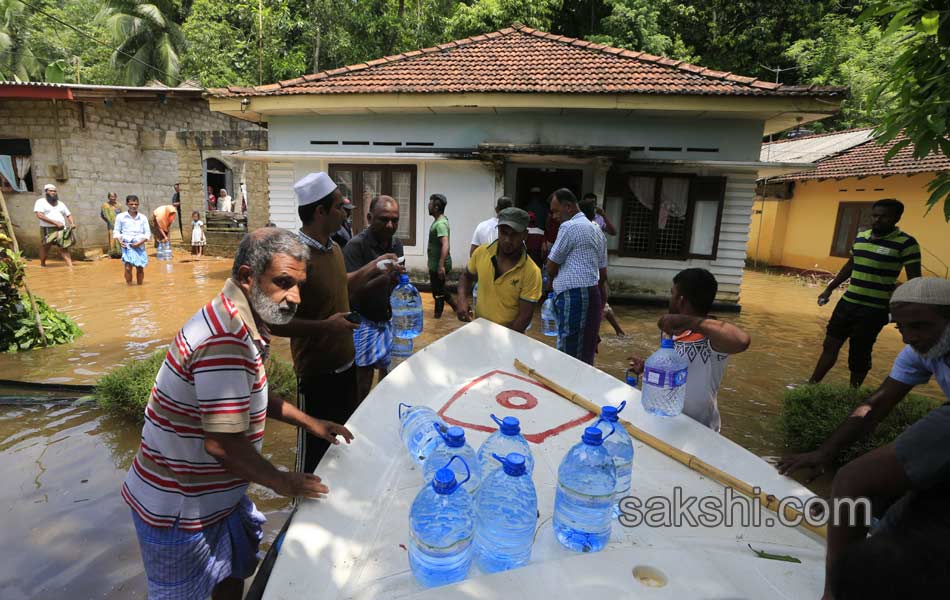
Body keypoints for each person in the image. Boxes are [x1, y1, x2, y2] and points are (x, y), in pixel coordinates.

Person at [122, 228, 354, 600]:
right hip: (181, 511)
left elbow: (251, 392)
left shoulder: (240, 316)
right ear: (247, 277)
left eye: (298, 284)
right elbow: (222, 443)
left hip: (215, 497)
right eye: (282, 283)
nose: (294, 297)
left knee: (230, 583)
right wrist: (283, 482)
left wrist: (311, 422)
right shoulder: (225, 337)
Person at [778, 277, 950, 600]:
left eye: (922, 326)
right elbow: (877, 404)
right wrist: (824, 452)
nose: (912, 337)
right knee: (896, 523)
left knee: (852, 481)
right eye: (902, 328)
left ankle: (834, 595)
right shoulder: (918, 350)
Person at [268, 172, 398, 474]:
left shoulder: (335, 249)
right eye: (340, 207)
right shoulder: (294, 258)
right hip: (317, 375)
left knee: (342, 445)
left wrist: (376, 269)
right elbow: (274, 322)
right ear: (320, 212)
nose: (346, 212)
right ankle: (303, 509)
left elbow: (343, 286)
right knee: (313, 455)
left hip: (347, 366)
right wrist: (326, 327)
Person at [809, 198, 921, 388]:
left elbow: (915, 281)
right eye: (875, 215)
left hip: (874, 309)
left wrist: (906, 313)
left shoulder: (907, 243)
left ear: (896, 218)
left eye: (883, 217)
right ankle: (811, 385)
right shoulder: (861, 237)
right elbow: (850, 266)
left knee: (859, 352)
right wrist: (829, 289)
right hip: (847, 304)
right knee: (829, 345)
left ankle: (853, 392)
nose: (877, 220)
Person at [628, 269, 751, 432]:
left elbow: (742, 341)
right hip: (667, 417)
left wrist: (691, 322)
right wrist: (649, 368)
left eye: (672, 294)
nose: (669, 299)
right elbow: (677, 369)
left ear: (681, 300)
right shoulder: (671, 331)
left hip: (700, 429)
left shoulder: (711, 338)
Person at [343, 195, 405, 401]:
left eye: (395, 220)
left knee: (389, 373)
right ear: (370, 218)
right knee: (363, 379)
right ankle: (358, 424)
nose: (390, 225)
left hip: (388, 318)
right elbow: (348, 290)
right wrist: (381, 279)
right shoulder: (356, 246)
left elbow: (394, 281)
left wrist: (399, 280)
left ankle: (382, 411)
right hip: (364, 321)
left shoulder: (396, 245)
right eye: (384, 219)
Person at [546, 188, 607, 365]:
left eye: (556, 211)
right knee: (586, 352)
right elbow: (603, 274)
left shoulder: (569, 227)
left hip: (574, 297)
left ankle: (567, 389)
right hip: (593, 294)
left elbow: (551, 266)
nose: (554, 216)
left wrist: (550, 281)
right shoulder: (597, 230)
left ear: (569, 207)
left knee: (568, 354)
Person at [457, 207, 541, 333]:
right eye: (503, 232)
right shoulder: (481, 253)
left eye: (514, 234)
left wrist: (502, 341)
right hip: (479, 330)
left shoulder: (531, 272)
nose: (507, 240)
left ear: (525, 235)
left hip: (510, 337)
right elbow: (466, 276)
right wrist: (462, 299)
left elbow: (525, 317)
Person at [579, 196, 625, 338]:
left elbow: (613, 231)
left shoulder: (595, 227)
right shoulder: (584, 228)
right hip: (591, 276)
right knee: (600, 306)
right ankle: (617, 332)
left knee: (597, 307)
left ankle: (602, 333)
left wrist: (604, 215)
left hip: (592, 277)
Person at [427, 193, 459, 318]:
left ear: (436, 207)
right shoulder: (439, 221)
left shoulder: (440, 224)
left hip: (439, 265)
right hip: (435, 264)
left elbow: (445, 245)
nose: (428, 206)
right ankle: (455, 307)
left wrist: (440, 266)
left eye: (430, 204)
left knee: (438, 292)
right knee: (439, 289)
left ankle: (437, 318)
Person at [34, 183, 74, 267]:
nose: (53, 193)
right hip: (47, 229)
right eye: (51, 191)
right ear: (46, 192)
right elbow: (39, 215)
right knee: (46, 247)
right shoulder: (40, 202)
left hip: (61, 229)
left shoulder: (61, 203)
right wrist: (55, 223)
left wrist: (72, 223)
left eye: (55, 191)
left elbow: (68, 214)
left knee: (63, 247)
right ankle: (42, 264)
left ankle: (71, 267)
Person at [113, 195, 151, 285]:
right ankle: (129, 286)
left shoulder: (143, 217)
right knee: (127, 268)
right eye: (131, 204)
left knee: (140, 268)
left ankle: (140, 286)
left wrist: (139, 243)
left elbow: (147, 234)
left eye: (136, 204)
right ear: (127, 204)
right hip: (127, 245)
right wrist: (120, 241)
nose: (134, 206)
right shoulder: (120, 217)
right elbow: (116, 231)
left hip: (140, 245)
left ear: (138, 205)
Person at [100, 191, 122, 258]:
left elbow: (122, 215)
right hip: (111, 225)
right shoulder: (105, 205)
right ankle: (112, 253)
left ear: (116, 197)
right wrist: (108, 221)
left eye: (114, 197)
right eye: (111, 197)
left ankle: (120, 252)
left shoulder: (119, 205)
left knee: (119, 238)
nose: (112, 198)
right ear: (108, 197)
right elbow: (103, 215)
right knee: (112, 238)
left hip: (119, 224)